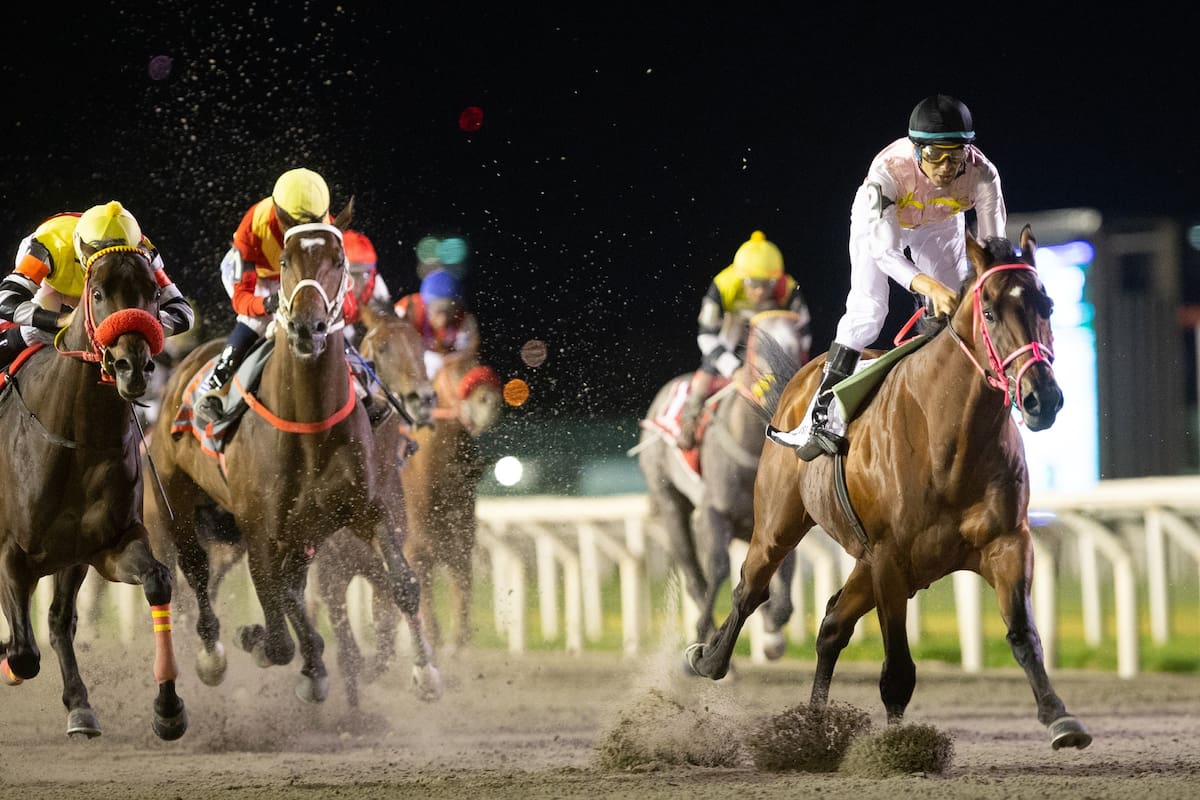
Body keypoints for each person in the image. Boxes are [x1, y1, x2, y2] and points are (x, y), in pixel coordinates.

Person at [794, 94, 1007, 461]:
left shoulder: (984, 172)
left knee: (956, 302)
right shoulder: (888, 170)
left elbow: (993, 249)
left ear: (968, 151)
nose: (945, 167)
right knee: (870, 311)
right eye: (934, 155)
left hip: (938, 222)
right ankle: (822, 412)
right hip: (883, 226)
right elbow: (886, 254)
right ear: (916, 149)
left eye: (955, 155)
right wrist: (930, 287)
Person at [194, 167, 333, 423]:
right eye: (296, 224)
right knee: (256, 321)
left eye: (311, 225)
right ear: (280, 215)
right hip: (258, 275)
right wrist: (267, 303)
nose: (305, 231)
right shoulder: (252, 228)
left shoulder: (325, 224)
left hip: (291, 274)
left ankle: (359, 380)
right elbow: (241, 299)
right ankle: (214, 384)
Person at [0, 200, 194, 368]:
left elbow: (184, 313)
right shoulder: (50, 244)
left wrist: (142, 326)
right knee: (37, 331)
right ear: (80, 245)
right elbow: (4, 300)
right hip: (54, 282)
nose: (107, 266)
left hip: (103, 288)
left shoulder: (144, 252)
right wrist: (61, 320)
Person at [676, 229, 812, 450]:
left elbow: (803, 335)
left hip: (770, 342)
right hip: (732, 336)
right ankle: (689, 421)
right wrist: (733, 368)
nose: (760, 291)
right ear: (741, 277)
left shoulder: (788, 288)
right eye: (753, 283)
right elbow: (706, 335)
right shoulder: (723, 285)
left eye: (767, 283)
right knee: (704, 375)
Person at [393, 267, 480, 379]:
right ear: (426, 305)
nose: (443, 319)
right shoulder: (410, 308)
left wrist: (443, 362)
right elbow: (388, 337)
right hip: (409, 368)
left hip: (444, 372)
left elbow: (469, 355)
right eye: (438, 311)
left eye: (449, 311)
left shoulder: (465, 320)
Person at [342, 228, 393, 336]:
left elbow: (387, 321)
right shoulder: (332, 284)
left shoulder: (375, 283)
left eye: (364, 274)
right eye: (353, 274)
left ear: (372, 272)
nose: (358, 283)